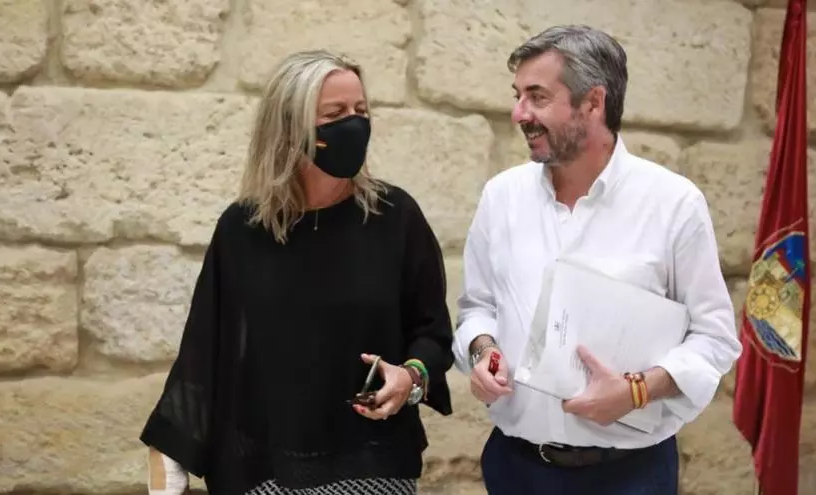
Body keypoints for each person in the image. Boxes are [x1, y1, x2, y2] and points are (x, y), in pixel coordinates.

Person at [139, 49, 454, 495]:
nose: (354, 124)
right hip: (263, 466)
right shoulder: (244, 228)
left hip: (373, 461)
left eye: (361, 110)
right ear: (290, 127)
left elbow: (432, 332)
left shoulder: (395, 216)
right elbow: (206, 349)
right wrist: (170, 455)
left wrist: (411, 377)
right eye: (335, 114)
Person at [452, 25, 742, 494]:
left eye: (537, 96)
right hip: (516, 468)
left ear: (593, 102)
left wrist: (637, 391)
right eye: (518, 95)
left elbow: (714, 338)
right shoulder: (501, 197)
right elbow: (477, 308)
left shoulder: (673, 203)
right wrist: (483, 352)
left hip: (630, 476)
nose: (519, 113)